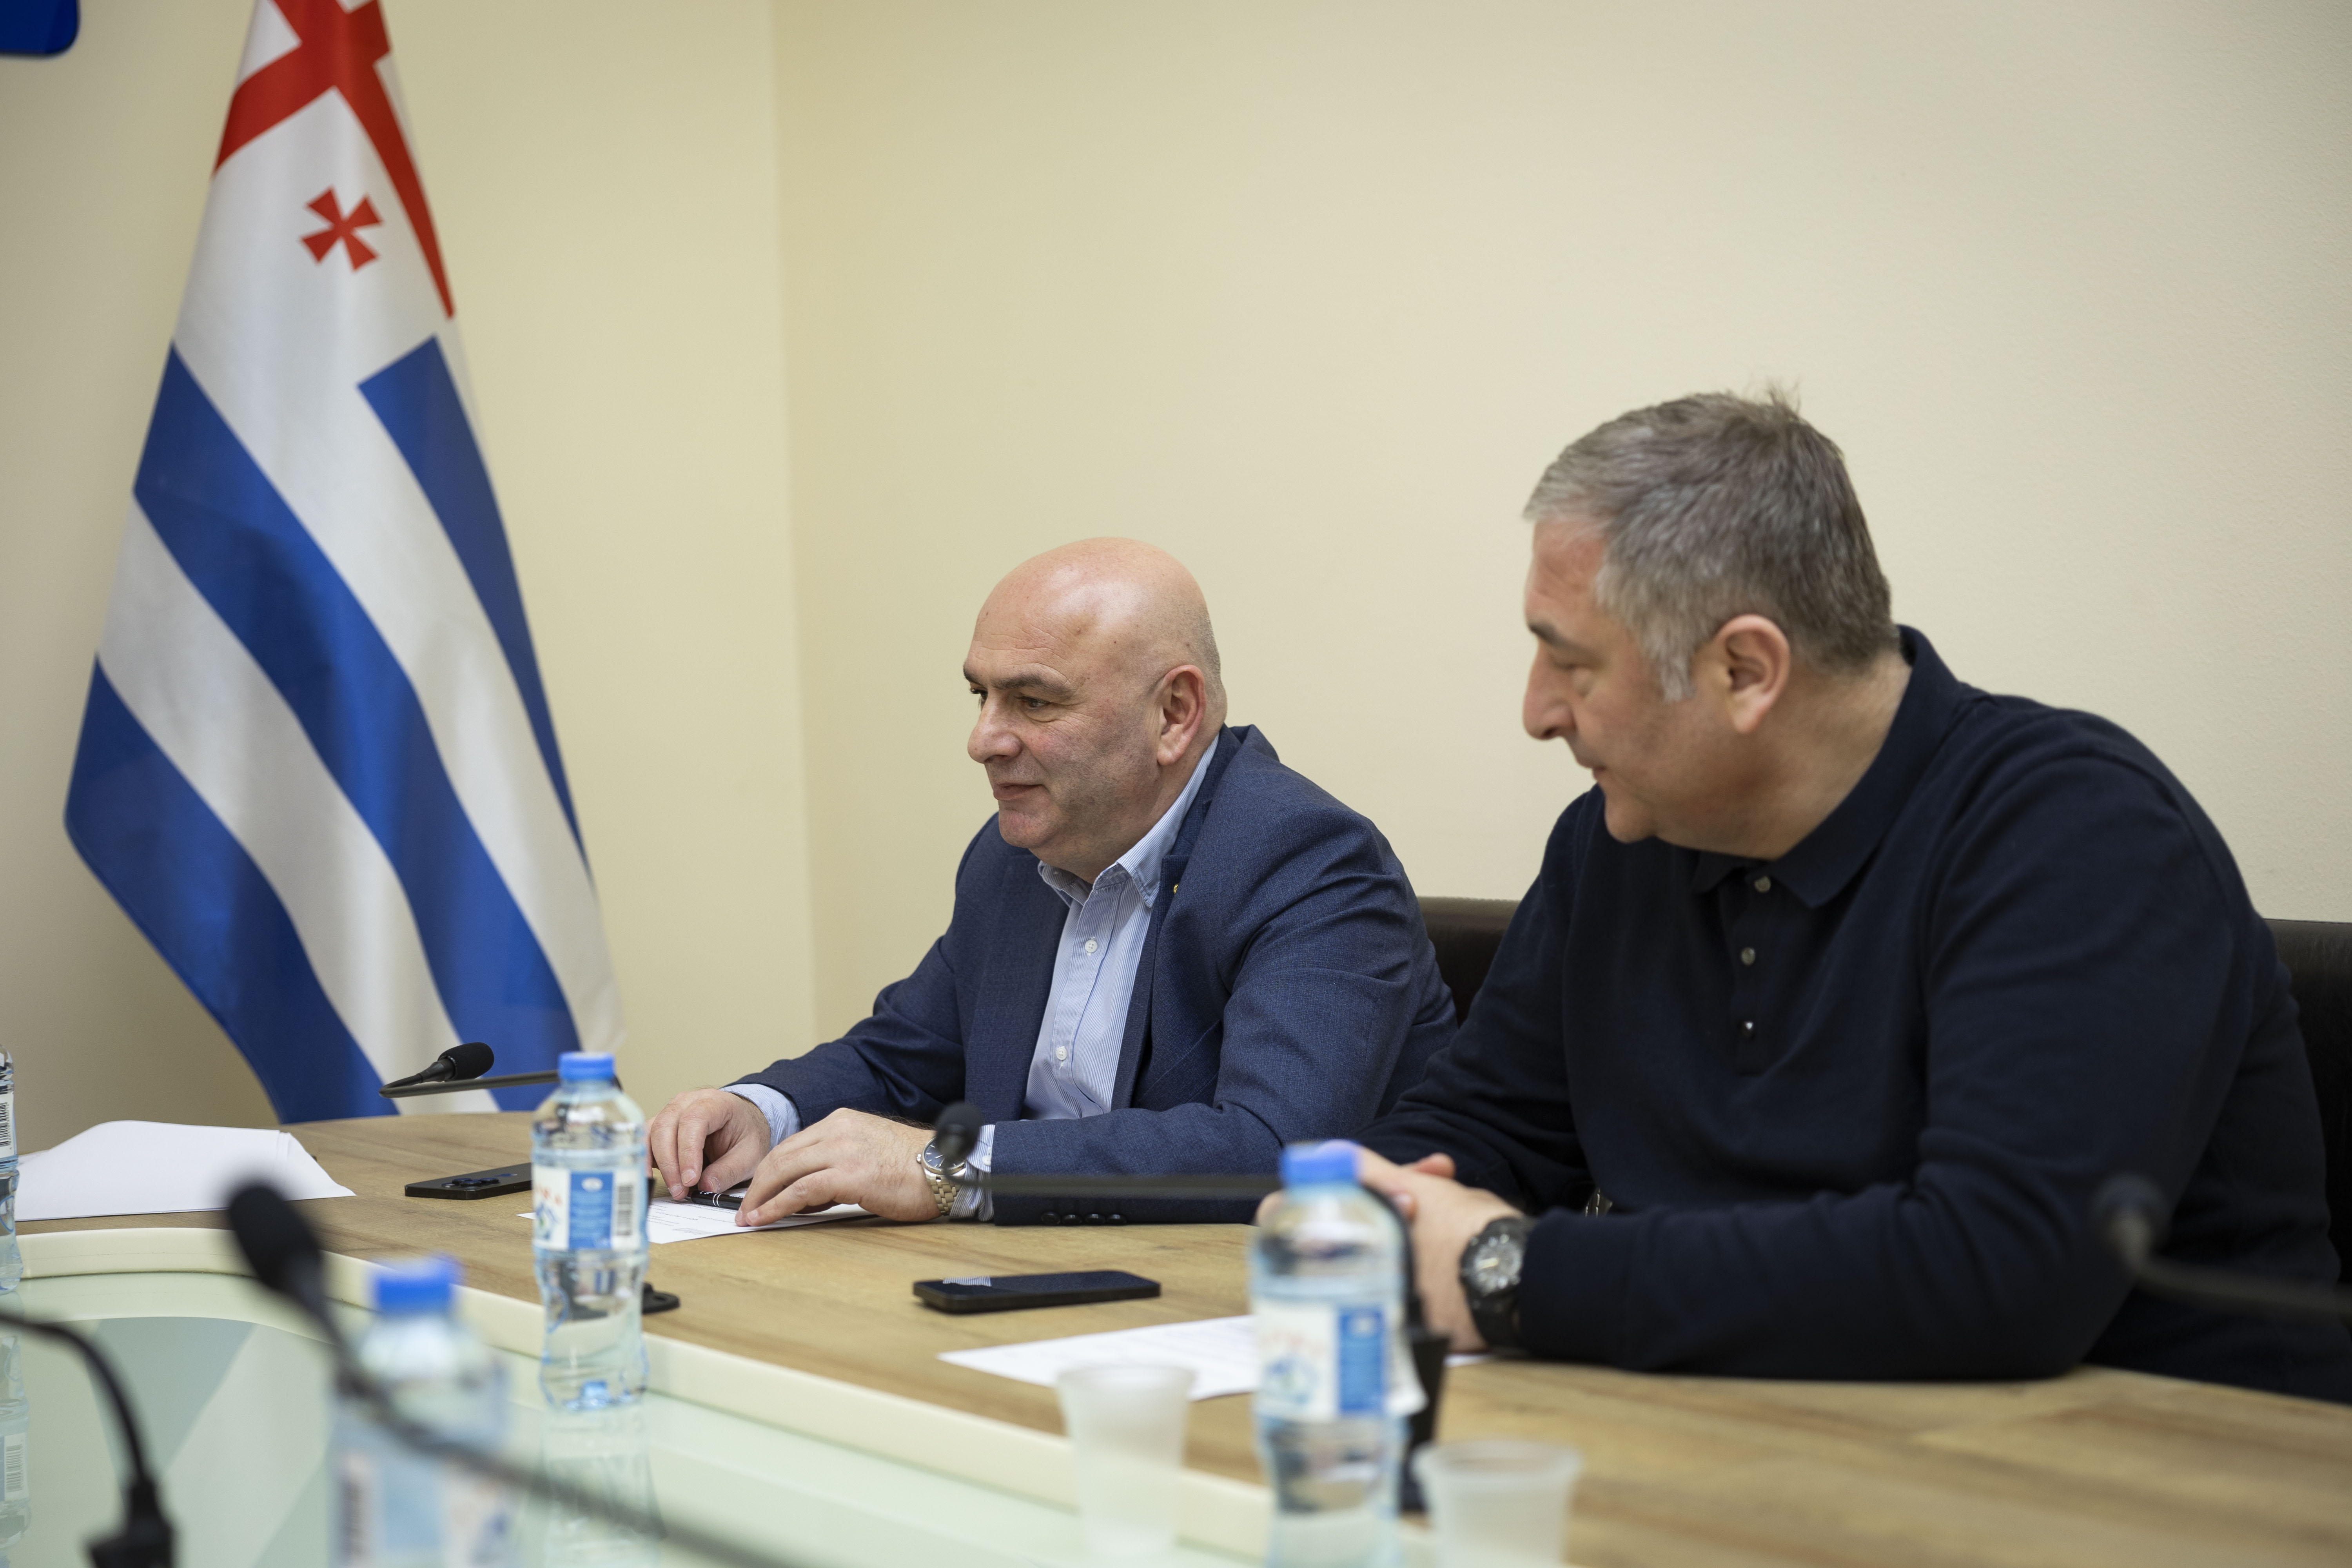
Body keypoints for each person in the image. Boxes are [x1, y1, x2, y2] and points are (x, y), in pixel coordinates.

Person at [1354, 392, 2352, 1402]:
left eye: (1572, 662)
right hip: (1752, 1433)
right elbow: (1478, 1128)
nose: (1536, 711)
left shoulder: (2082, 833)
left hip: (2157, 1458)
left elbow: (1995, 1271)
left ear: (1746, 669)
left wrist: (1511, 1272)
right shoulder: (1619, 841)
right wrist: (1346, 1212)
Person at [651, 538, 1456, 1226]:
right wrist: (762, 1109)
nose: (983, 740)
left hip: (1247, 1307)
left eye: (1033, 701)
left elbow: (1271, 1149)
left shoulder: (1308, 860)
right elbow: (904, 1059)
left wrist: (952, 1168)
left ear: (1175, 713)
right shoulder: (1013, 856)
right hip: (1027, 1287)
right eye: (981, 695)